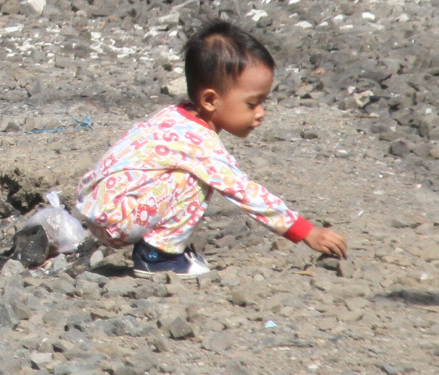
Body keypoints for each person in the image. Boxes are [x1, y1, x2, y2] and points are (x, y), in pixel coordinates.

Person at [75, 20, 349, 277]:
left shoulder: (175, 115)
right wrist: (306, 232)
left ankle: (160, 248)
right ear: (210, 100)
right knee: (197, 179)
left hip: (103, 210)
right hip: (117, 219)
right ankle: (158, 256)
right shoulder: (200, 145)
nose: (261, 113)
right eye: (252, 104)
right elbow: (245, 192)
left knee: (191, 174)